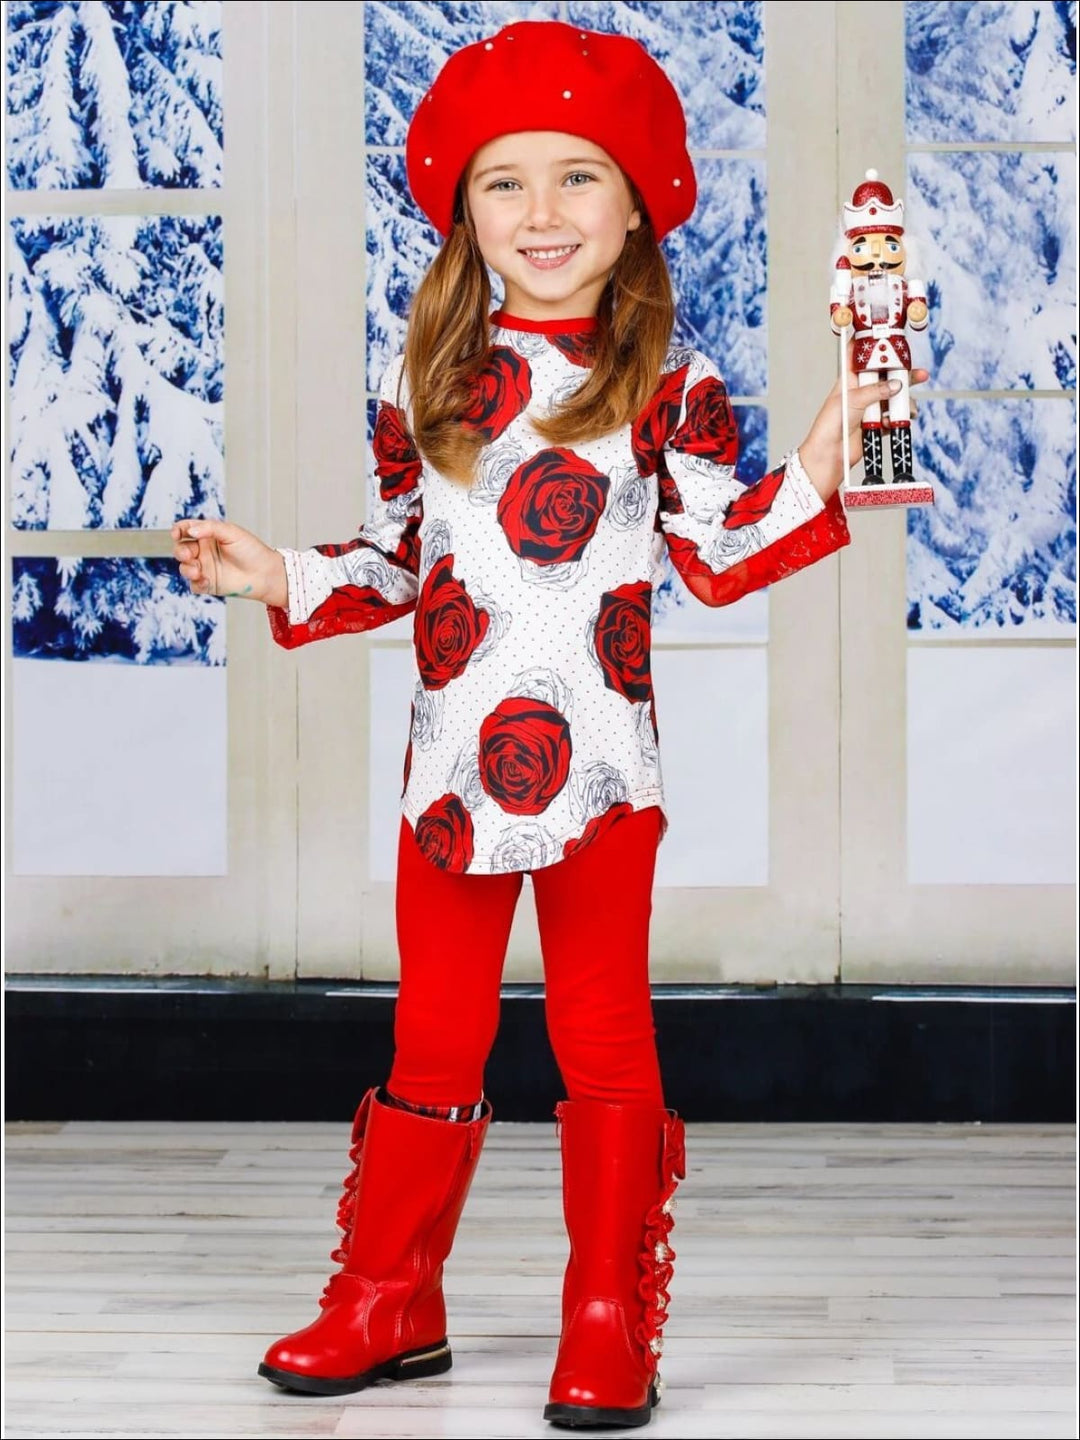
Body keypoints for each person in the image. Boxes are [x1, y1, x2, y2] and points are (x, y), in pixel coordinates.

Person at [171, 20, 920, 1431]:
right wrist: (277, 574)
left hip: (604, 777)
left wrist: (827, 454)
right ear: (465, 212)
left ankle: (606, 1315)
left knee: (604, 1036)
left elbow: (719, 551)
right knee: (433, 1038)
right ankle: (389, 1297)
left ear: (637, 206)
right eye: (505, 182)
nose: (543, 211)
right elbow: (401, 560)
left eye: (579, 177)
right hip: (453, 771)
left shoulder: (672, 386)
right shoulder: (427, 381)